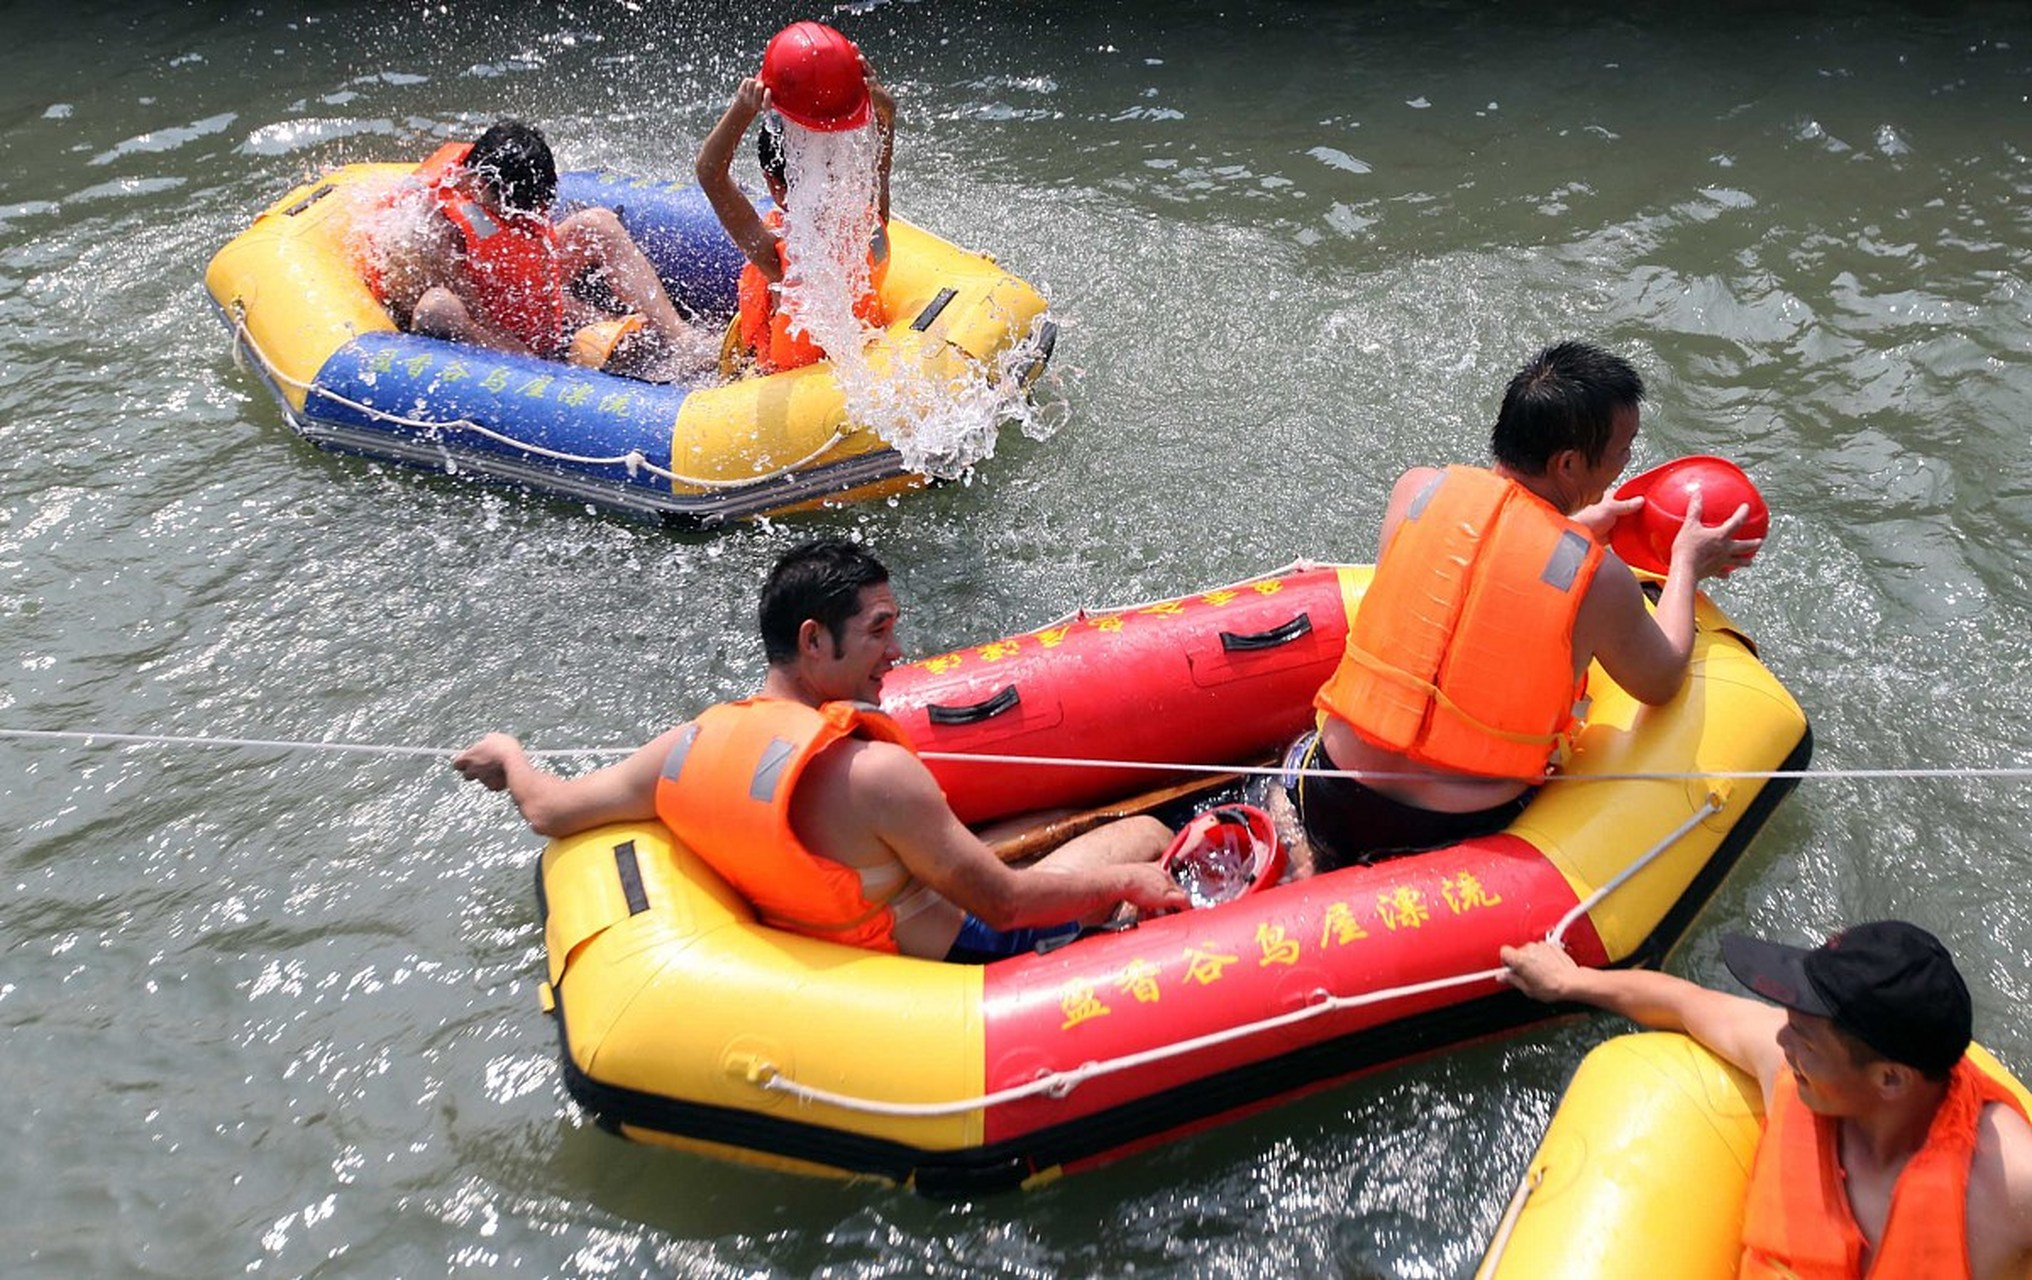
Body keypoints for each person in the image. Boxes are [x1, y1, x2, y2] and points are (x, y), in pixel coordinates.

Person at [452, 538, 1185, 961]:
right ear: (813, 640)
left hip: (850, 920)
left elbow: (548, 808)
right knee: (1145, 833)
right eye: (878, 630)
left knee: (1045, 820)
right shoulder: (874, 773)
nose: (898, 652)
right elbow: (1002, 902)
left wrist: (509, 755)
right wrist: (1128, 887)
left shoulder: (690, 746)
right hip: (954, 951)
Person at [1270, 340, 1761, 873]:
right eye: (1624, 449)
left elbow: (1465, 588)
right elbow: (1661, 680)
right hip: (1444, 831)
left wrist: (1570, 530)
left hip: (1325, 793)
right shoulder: (1596, 577)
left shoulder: (1417, 491)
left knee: (1295, 763)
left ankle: (1299, 859)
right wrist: (1686, 564)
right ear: (1569, 463)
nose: (1626, 463)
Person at [1501, 923, 2032, 1279]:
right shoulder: (1786, 1069)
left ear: (1890, 1079)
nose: (1782, 1041)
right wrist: (1570, 982)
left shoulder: (2010, 1184)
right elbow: (1685, 1003)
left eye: (1805, 1038)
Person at [365, 118, 712, 379]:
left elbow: (533, 274)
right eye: (518, 209)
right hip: (477, 317)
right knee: (438, 308)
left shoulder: (512, 177)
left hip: (509, 292)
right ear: (481, 187)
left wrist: (593, 321)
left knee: (599, 223)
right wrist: (548, 359)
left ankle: (682, 339)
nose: (528, 216)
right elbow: (481, 312)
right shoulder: (433, 224)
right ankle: (541, 375)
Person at [694, 23, 894, 375]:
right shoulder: (870, 219)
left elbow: (711, 174)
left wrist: (743, 108)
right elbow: (880, 164)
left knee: (700, 352)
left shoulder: (782, 255)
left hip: (791, 395)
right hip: (865, 368)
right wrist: (883, 109)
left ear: (773, 183)